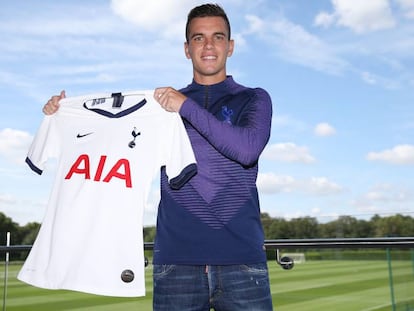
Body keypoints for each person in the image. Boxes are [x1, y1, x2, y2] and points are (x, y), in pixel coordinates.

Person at [42, 3, 273, 311]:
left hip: (242, 259)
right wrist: (66, 115)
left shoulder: (254, 97)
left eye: (217, 37)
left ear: (230, 47)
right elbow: (109, 133)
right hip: (176, 262)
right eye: (198, 38)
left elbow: (246, 150)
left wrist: (185, 107)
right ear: (186, 48)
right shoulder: (157, 108)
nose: (208, 45)